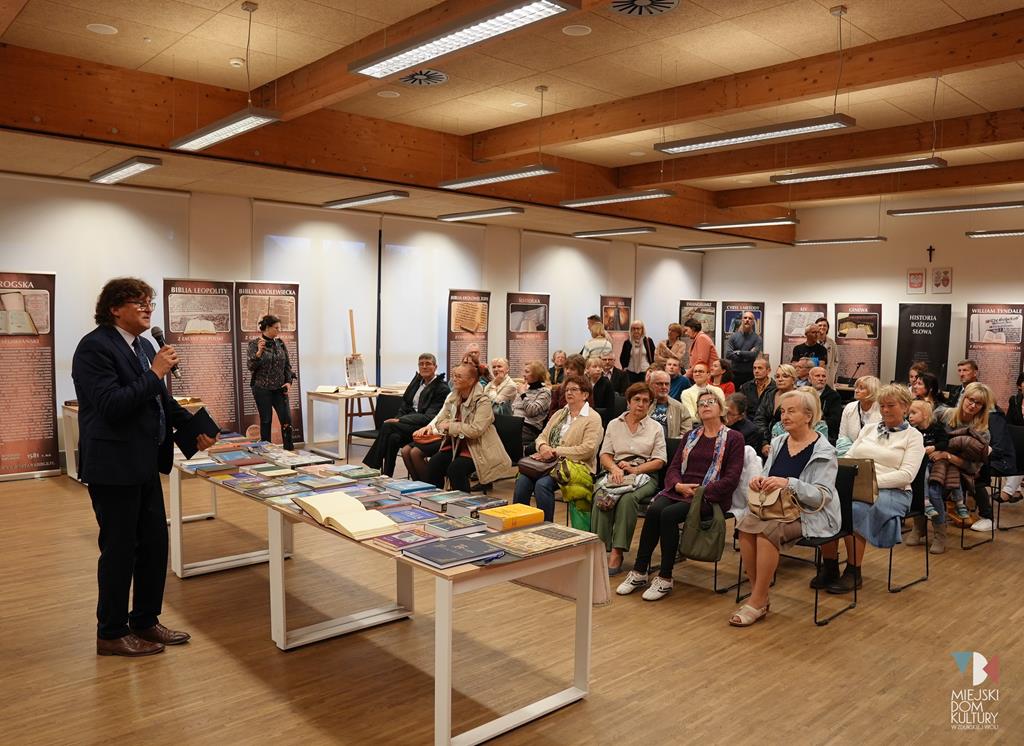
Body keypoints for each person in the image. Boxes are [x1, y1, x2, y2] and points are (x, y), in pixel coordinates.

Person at [73, 278, 217, 656]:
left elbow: (159, 403)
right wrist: (154, 373)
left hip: (145, 463)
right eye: (138, 302)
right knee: (120, 550)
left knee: (154, 545)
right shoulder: (94, 347)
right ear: (114, 309)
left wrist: (195, 429)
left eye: (149, 302)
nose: (147, 308)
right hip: (114, 467)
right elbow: (112, 405)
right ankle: (111, 632)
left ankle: (145, 621)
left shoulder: (144, 345)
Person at [616, 387, 744, 601]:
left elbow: (731, 478)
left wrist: (700, 491)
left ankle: (665, 577)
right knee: (654, 510)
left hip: (709, 496)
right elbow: (674, 467)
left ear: (721, 408)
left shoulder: (734, 438)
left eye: (710, 402)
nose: (705, 406)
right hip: (681, 491)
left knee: (668, 515)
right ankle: (639, 571)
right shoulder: (690, 436)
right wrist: (677, 485)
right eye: (701, 404)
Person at [732, 389, 840, 626]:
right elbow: (768, 473)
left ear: (808, 416)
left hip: (809, 512)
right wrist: (759, 480)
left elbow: (822, 496)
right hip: (775, 507)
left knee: (767, 531)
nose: (785, 416)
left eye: (791, 411)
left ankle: (757, 600)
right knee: (745, 526)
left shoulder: (825, 451)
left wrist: (789, 483)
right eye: (782, 411)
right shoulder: (779, 441)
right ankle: (759, 595)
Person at [823, 384, 925, 594]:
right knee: (825, 503)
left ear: (905, 407)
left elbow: (906, 475)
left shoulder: (913, 436)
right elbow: (850, 457)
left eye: (891, 405)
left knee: (854, 509)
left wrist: (871, 481)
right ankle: (830, 566)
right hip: (858, 484)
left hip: (894, 491)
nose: (885, 410)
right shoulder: (869, 429)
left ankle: (854, 571)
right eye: (882, 406)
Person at [591, 383, 668, 575]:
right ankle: (600, 548)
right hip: (617, 471)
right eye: (637, 400)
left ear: (650, 405)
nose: (641, 404)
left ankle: (617, 552)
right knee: (601, 495)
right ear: (628, 402)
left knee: (627, 499)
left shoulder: (656, 428)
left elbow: (659, 461)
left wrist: (636, 469)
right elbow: (604, 454)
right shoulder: (614, 424)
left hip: (645, 474)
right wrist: (614, 468)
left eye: (645, 401)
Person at [513, 374, 603, 522]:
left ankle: (545, 526)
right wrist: (543, 447)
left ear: (585, 394)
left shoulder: (593, 418)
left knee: (542, 485)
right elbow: (541, 436)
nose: (569, 393)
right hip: (548, 462)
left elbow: (588, 450)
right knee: (522, 480)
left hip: (576, 465)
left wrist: (555, 451)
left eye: (574, 389)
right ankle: (519, 524)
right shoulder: (559, 414)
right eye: (567, 390)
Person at [412, 363, 514, 492]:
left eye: (459, 376)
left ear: (471, 381)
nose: (454, 379)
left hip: (478, 448)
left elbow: (475, 430)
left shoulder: (483, 401)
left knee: (455, 469)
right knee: (434, 464)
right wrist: (448, 426)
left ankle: (463, 503)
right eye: (454, 376)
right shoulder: (453, 397)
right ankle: (435, 499)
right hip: (456, 444)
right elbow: (440, 421)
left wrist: (450, 426)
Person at [363, 353, 449, 476]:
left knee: (388, 426)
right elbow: (404, 405)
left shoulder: (441, 388)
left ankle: (373, 468)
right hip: (409, 424)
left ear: (435, 367)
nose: (424, 367)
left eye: (428, 364)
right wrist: (398, 418)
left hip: (424, 427)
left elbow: (429, 417)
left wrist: (401, 420)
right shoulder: (417, 383)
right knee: (393, 438)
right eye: (421, 364)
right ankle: (387, 475)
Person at [929, 382, 994, 524]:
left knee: (936, 485)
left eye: (979, 403)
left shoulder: (983, 432)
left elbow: (973, 468)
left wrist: (947, 456)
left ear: (983, 407)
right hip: (932, 458)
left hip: (962, 469)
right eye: (971, 400)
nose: (973, 405)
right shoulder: (942, 414)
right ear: (964, 397)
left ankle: (940, 527)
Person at [247, 314, 297, 449]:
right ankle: (266, 450)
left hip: (280, 388)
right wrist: (259, 353)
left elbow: (287, 365)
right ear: (267, 328)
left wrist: (289, 382)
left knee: (287, 420)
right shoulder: (254, 344)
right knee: (266, 420)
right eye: (276, 328)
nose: (278, 330)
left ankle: (289, 450)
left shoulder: (280, 343)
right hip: (262, 389)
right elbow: (250, 366)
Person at [906, 399, 948, 553]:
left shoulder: (936, 428)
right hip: (919, 466)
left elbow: (946, 443)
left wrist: (935, 448)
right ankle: (919, 527)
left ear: (925, 415)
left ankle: (940, 534)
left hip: (936, 465)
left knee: (933, 493)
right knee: (914, 488)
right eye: (909, 413)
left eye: (913, 413)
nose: (909, 416)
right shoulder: (911, 430)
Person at [754, 364, 797, 457]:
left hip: (789, 444)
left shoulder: (799, 397)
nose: (780, 379)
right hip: (765, 443)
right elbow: (759, 419)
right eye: (777, 376)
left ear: (793, 379)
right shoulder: (769, 394)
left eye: (785, 376)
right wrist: (764, 443)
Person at [837, 375, 881, 453]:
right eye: (856, 387)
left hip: (875, 453)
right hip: (850, 452)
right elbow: (843, 437)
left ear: (872, 391)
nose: (856, 391)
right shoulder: (849, 407)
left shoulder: (882, 409)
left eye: (861, 388)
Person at [512, 360, 551, 447]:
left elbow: (532, 411)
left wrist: (522, 394)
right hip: (515, 424)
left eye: (527, 372)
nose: (523, 375)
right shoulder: (525, 389)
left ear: (536, 375)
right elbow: (514, 407)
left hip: (529, 428)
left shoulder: (545, 392)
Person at [647, 369, 693, 439]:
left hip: (670, 444)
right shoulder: (643, 404)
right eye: (659, 384)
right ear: (650, 385)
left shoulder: (680, 408)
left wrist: (673, 442)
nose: (664, 387)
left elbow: (686, 434)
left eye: (667, 384)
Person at [1000, 372, 1024, 503]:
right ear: (1020, 385)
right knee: (1007, 452)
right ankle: (1017, 490)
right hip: (1017, 440)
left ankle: (1008, 491)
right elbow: (1008, 423)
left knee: (1020, 454)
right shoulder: (1014, 400)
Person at [725, 311, 762, 387]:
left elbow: (754, 354)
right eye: (745, 318)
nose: (747, 320)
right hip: (734, 374)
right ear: (742, 320)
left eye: (750, 318)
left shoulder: (757, 338)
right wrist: (747, 356)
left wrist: (739, 352)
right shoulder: (733, 336)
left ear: (753, 322)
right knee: (734, 394)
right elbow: (728, 354)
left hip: (750, 374)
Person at [809, 366, 842, 443]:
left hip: (825, 434)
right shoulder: (804, 393)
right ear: (810, 379)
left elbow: (834, 421)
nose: (821, 379)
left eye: (823, 376)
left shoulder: (834, 396)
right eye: (817, 376)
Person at [620, 319, 655, 384]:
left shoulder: (648, 341)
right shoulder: (627, 342)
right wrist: (624, 367)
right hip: (630, 372)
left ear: (642, 329)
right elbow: (622, 357)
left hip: (645, 371)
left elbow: (653, 356)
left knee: (644, 389)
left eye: (638, 329)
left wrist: (652, 369)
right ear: (631, 330)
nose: (636, 331)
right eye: (634, 329)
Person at [815, 317, 839, 386]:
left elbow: (836, 360)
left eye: (824, 325)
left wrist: (832, 373)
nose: (822, 327)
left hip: (828, 376)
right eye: (820, 325)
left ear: (827, 328)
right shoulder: (812, 342)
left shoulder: (832, 343)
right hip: (815, 376)